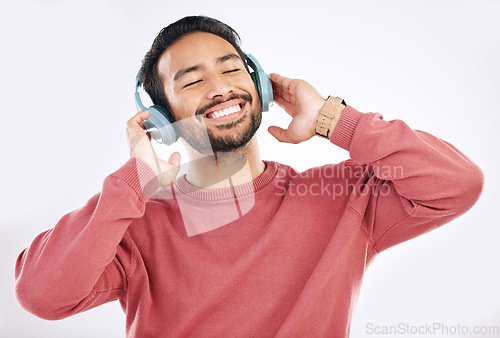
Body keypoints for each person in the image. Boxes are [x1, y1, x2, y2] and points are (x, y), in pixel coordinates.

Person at [14, 16, 484, 337]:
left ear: (258, 85)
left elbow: (457, 184)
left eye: (232, 69)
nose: (220, 88)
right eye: (192, 80)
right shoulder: (133, 224)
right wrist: (134, 180)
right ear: (159, 115)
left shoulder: (342, 198)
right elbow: (41, 295)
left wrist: (329, 117)